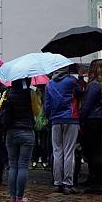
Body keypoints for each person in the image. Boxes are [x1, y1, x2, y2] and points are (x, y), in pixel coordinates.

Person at [0, 77, 41, 202]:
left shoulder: (7, 93)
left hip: (11, 132)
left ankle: (12, 197)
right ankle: (20, 197)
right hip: (27, 131)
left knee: (13, 165)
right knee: (23, 165)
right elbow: (37, 111)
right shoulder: (31, 93)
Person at [44, 66, 83, 194]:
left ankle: (57, 182)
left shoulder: (49, 84)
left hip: (55, 119)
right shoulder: (71, 80)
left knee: (57, 151)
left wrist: (50, 116)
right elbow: (80, 93)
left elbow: (47, 104)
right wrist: (81, 78)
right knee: (69, 152)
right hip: (71, 117)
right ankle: (67, 183)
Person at [80, 60, 102, 194]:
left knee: (92, 151)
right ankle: (96, 178)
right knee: (99, 150)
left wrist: (82, 121)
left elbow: (87, 105)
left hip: (93, 120)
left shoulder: (94, 85)